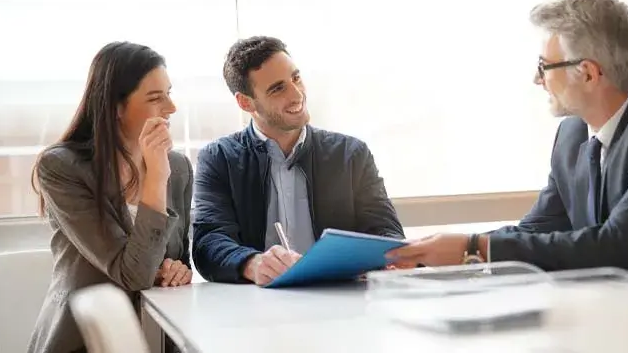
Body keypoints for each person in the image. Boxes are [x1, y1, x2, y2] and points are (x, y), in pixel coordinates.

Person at [388, 0, 628, 272]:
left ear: (587, 74)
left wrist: (473, 249)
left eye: (544, 66)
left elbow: (618, 245)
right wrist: (429, 252)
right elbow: (537, 229)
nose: (536, 78)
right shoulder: (572, 134)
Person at [192, 36, 404, 286]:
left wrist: (393, 257)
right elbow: (209, 242)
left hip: (342, 301)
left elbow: (386, 231)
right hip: (258, 307)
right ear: (246, 102)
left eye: (296, 78)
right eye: (277, 88)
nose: (297, 94)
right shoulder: (218, 159)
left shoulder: (351, 154)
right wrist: (253, 264)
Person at [28, 42, 193, 353]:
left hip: (159, 335)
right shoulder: (62, 168)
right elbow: (133, 274)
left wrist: (176, 269)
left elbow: (178, 257)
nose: (171, 108)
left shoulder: (180, 167)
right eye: (156, 98)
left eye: (169, 93)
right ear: (116, 107)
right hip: (85, 341)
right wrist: (156, 179)